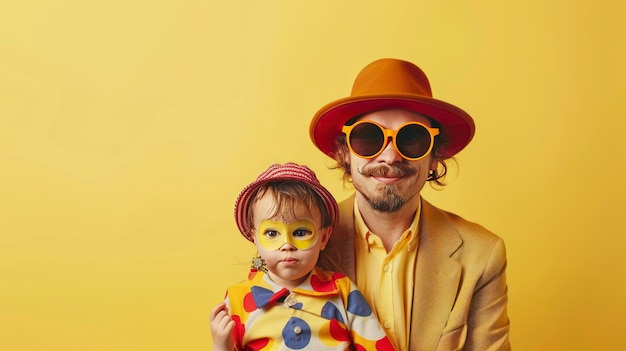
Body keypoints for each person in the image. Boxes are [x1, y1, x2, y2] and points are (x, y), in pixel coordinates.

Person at [309, 58, 511, 351]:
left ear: (434, 158)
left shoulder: (481, 255)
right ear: (345, 152)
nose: (390, 157)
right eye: (369, 137)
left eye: (412, 139)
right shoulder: (301, 240)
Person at [210, 162, 395, 351]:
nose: (287, 245)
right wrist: (221, 345)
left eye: (300, 232)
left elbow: (376, 345)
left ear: (323, 237)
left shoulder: (342, 291)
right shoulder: (238, 300)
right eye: (272, 234)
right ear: (254, 238)